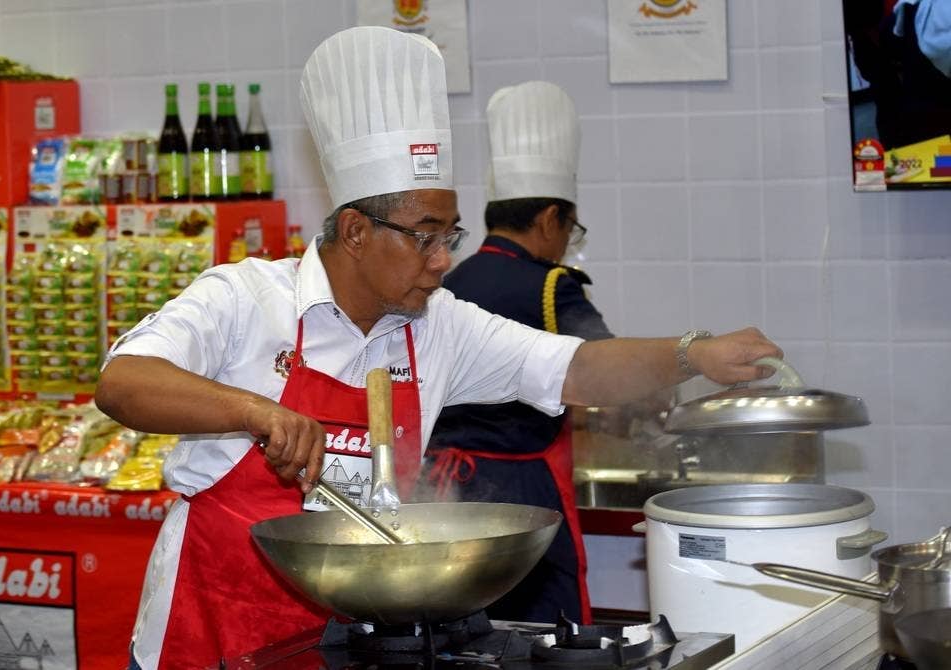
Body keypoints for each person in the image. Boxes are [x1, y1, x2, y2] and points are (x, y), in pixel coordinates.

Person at [95, 26, 782, 670]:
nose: (441, 260)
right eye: (425, 235)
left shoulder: (439, 325)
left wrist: (693, 354)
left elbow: (576, 366)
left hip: (342, 634)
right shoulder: (245, 299)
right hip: (209, 623)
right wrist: (254, 410)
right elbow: (122, 382)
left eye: (449, 235)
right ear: (358, 232)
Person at [421, 80, 610, 625]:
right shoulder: (553, 286)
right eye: (569, 227)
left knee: (470, 631)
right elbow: (605, 372)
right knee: (543, 630)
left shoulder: (446, 283)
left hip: (443, 493)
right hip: (523, 495)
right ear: (551, 218)